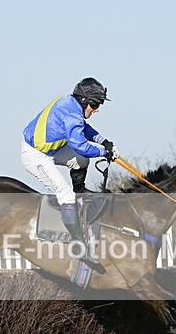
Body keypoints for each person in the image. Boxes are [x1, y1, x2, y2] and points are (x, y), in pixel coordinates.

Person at [21, 77, 115, 261]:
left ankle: (80, 192)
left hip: (50, 149)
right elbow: (80, 146)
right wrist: (104, 151)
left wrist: (102, 141)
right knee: (66, 195)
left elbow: (84, 129)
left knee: (81, 161)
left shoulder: (71, 103)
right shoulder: (71, 113)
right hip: (35, 155)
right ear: (84, 100)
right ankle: (78, 244)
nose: (97, 110)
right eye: (95, 105)